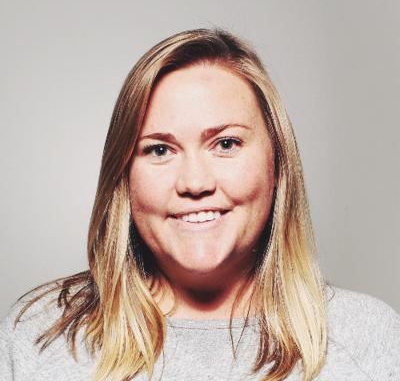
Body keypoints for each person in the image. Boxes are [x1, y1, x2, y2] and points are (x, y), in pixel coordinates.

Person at [0, 27, 399, 381]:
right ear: (123, 177)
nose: (195, 183)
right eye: (159, 150)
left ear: (277, 162)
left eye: (226, 144)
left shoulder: (367, 339)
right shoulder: (39, 336)